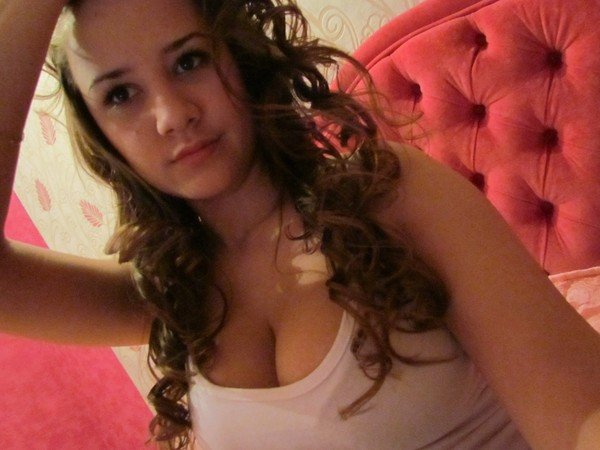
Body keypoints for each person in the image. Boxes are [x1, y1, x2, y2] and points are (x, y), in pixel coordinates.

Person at [1, 0, 599, 448]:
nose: (171, 114)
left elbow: (581, 417)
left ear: (238, 55)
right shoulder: (169, 291)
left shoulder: (389, 197)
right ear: (100, 131)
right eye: (120, 95)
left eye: (188, 61)